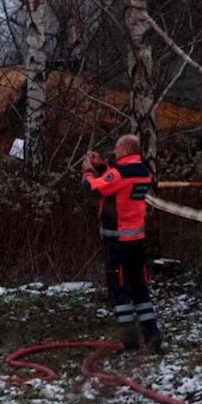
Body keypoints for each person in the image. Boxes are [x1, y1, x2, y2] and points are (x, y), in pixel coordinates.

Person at [81, 134, 163, 353]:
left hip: (117, 243)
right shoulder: (143, 171)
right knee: (139, 289)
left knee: (119, 290)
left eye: (117, 150)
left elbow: (95, 188)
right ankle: (152, 335)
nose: (114, 154)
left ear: (125, 151)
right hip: (137, 242)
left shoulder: (120, 173)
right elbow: (116, 182)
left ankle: (130, 340)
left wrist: (88, 171)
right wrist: (102, 166)